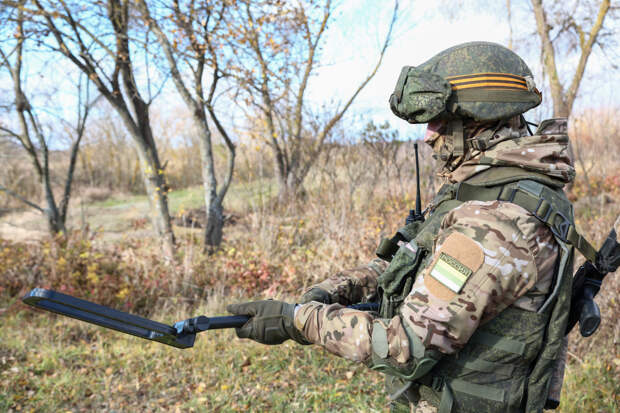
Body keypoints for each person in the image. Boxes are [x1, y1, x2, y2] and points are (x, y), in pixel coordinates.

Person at [227, 42, 597, 413]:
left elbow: (404, 347)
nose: (428, 135)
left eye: (438, 122)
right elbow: (411, 262)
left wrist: (298, 322)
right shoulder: (487, 192)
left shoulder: (496, 223)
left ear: (478, 122)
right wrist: (330, 291)